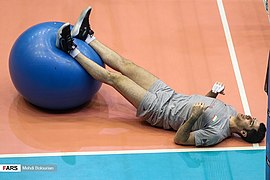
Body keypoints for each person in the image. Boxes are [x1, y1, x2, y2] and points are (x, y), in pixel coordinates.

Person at [56, 6, 266, 147]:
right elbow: (202, 105)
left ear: (244, 133)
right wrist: (213, 93)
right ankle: (87, 36)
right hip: (168, 93)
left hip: (159, 111)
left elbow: (180, 139)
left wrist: (192, 117)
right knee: (127, 65)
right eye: (253, 118)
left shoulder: (216, 135)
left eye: (251, 122)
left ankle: (70, 49)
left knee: (116, 79)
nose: (249, 117)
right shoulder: (231, 110)